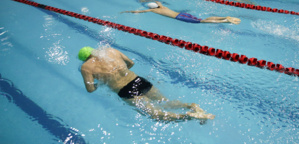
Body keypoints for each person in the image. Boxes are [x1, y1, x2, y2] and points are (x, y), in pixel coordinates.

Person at [79, 46, 215, 122]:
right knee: (165, 102)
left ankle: (188, 116)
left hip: (126, 91)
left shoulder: (86, 67)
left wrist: (101, 82)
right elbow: (131, 63)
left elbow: (90, 89)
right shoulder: (110, 51)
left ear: (84, 59)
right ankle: (190, 106)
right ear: (93, 51)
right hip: (139, 80)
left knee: (155, 114)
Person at [121, 1, 241, 24]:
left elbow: (141, 11)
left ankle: (225, 20)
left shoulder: (153, 10)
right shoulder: (160, 6)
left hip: (179, 18)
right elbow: (157, 0)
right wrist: (147, 0)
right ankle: (224, 17)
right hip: (182, 14)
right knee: (201, 19)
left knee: (202, 21)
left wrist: (129, 11)